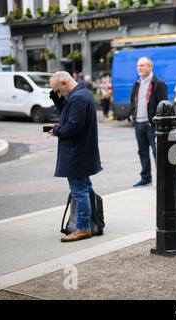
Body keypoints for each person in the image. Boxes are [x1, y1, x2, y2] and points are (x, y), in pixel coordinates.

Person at [48, 71, 102, 242]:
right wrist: (55, 97)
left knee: (79, 191)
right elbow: (68, 113)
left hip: (77, 153)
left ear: (64, 82)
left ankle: (84, 228)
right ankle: (91, 224)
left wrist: (56, 130)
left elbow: (72, 126)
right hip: (82, 152)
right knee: (84, 188)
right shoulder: (80, 94)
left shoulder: (78, 97)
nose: (58, 94)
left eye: (57, 90)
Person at [130, 57, 167, 187]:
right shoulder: (136, 84)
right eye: (138, 66)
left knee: (157, 151)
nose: (139, 68)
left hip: (152, 124)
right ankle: (146, 177)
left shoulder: (158, 83)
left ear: (150, 67)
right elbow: (133, 101)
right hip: (139, 123)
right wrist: (132, 114)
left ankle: (163, 178)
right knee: (142, 152)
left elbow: (163, 104)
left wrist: (158, 122)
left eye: (142, 65)